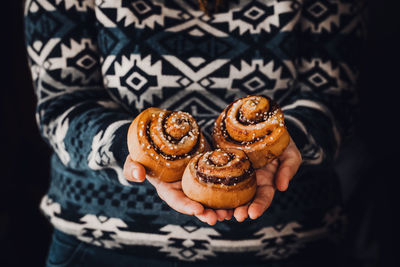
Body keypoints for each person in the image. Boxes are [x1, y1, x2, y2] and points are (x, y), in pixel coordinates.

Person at [24, 0, 365, 266]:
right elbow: (61, 103)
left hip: (291, 246)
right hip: (100, 249)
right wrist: (127, 148)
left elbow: (333, 97)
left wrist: (288, 140)